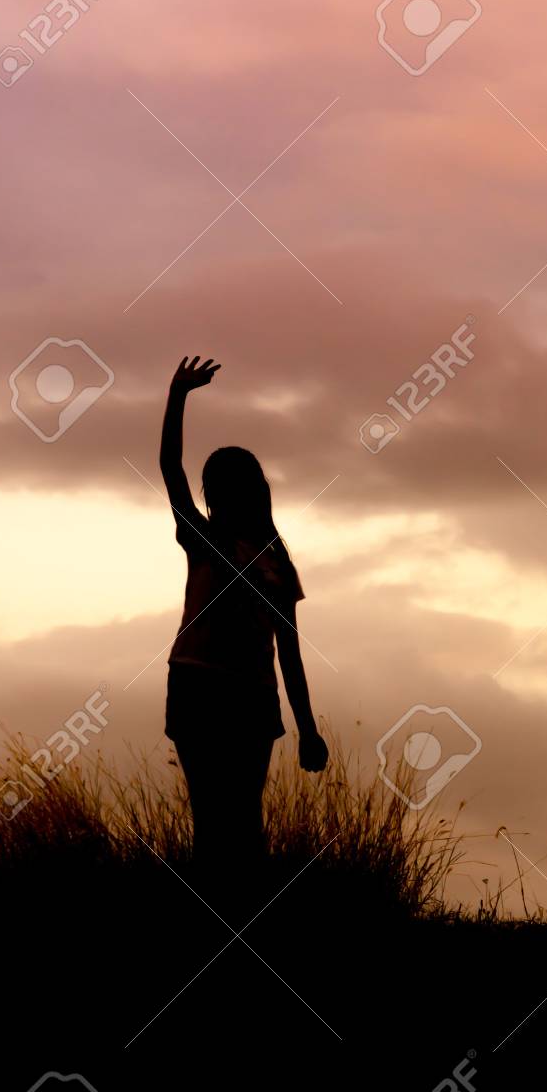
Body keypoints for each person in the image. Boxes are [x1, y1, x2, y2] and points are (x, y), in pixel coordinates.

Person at [159, 355, 328, 882]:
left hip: (252, 695)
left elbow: (290, 653)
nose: (221, 495)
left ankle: (242, 915)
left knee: (245, 823)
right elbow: (170, 470)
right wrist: (177, 396)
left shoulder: (277, 565)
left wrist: (308, 729)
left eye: (229, 485)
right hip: (199, 684)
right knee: (212, 819)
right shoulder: (204, 541)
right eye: (217, 486)